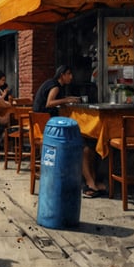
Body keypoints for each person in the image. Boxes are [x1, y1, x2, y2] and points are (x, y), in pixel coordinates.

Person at [33, 65, 104, 197]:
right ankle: (89, 182)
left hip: (44, 127)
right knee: (85, 145)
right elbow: (49, 103)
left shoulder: (52, 84)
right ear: (62, 75)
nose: (71, 77)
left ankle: (91, 181)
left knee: (87, 144)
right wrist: (66, 100)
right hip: (49, 130)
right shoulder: (55, 85)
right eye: (69, 74)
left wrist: (68, 98)